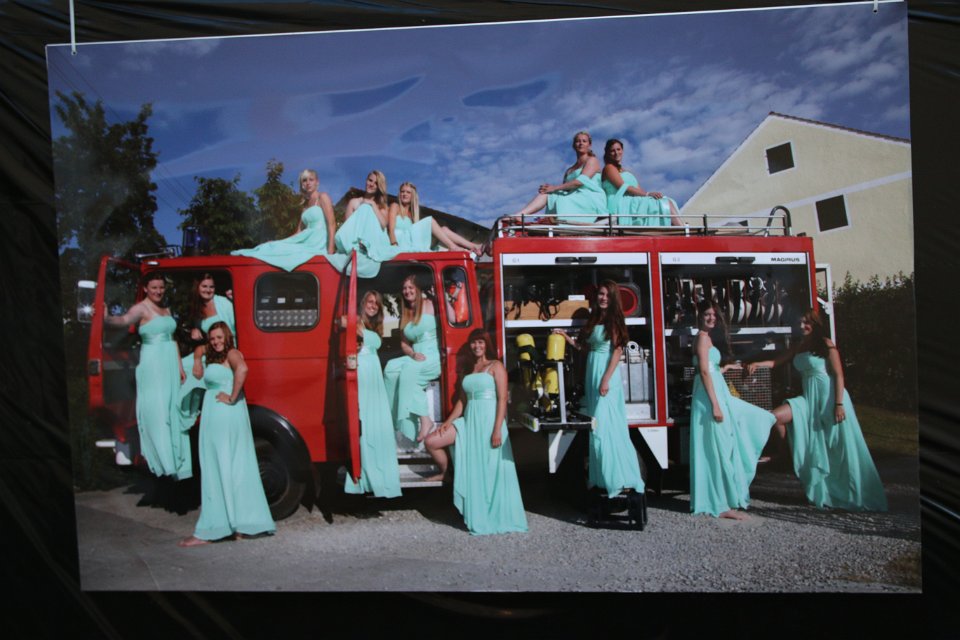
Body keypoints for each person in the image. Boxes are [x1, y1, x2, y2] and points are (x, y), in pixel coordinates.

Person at [747, 309, 887, 511]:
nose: (802, 326)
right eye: (799, 322)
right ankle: (785, 455)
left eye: (807, 322)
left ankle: (843, 492)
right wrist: (756, 363)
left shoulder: (825, 343)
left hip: (829, 397)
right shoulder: (798, 345)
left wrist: (838, 404)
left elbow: (838, 375)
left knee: (836, 447)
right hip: (808, 399)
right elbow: (776, 362)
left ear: (815, 324)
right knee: (775, 416)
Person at [178, 322, 276, 546]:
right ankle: (235, 525)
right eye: (212, 338)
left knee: (219, 466)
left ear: (227, 337)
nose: (215, 342)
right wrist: (196, 360)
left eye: (219, 337)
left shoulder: (232, 353)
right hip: (220, 415)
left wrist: (231, 397)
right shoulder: (213, 352)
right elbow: (200, 349)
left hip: (224, 415)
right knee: (229, 466)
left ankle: (216, 528)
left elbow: (243, 369)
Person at [424, 329, 527, 535]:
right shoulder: (469, 368)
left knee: (490, 469)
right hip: (470, 420)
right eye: (473, 343)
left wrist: (497, 429)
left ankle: (490, 513)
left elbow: (502, 399)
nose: (477, 346)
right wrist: (448, 422)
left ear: (486, 344)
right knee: (432, 441)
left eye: (480, 342)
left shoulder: (496, 366)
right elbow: (463, 401)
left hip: (489, 422)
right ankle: (447, 474)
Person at [552, 281, 644, 498]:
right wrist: (566, 337)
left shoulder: (614, 319)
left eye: (607, 295)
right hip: (593, 376)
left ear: (613, 299)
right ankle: (603, 478)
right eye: (601, 294)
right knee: (597, 429)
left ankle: (620, 479)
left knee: (606, 429)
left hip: (605, 377)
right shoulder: (595, 318)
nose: (603, 298)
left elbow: (617, 351)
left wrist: (605, 379)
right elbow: (585, 348)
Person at [689, 301, 776, 519]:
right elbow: (703, 371)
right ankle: (721, 504)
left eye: (714, 315)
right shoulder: (702, 338)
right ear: (700, 316)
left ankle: (723, 499)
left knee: (721, 444)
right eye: (707, 314)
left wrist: (725, 368)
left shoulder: (705, 338)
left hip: (715, 391)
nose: (711, 318)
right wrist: (715, 404)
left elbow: (710, 369)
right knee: (719, 446)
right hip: (710, 396)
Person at [104, 273, 191, 480]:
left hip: (170, 362)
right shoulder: (141, 308)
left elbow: (172, 339)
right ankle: (164, 462)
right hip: (153, 364)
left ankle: (178, 462)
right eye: (154, 288)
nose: (158, 291)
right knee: (158, 412)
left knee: (172, 409)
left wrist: (179, 366)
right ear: (145, 288)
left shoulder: (166, 308)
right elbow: (123, 320)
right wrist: (106, 317)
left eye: (161, 287)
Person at [342, 291, 403, 498]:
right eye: (370, 302)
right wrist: (353, 324)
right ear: (362, 303)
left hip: (373, 373)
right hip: (363, 372)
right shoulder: (356, 320)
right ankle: (365, 474)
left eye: (376, 304)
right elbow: (340, 321)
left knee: (376, 421)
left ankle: (380, 475)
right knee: (365, 421)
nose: (373, 306)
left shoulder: (373, 325)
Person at [231, 169, 336, 272]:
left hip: (317, 242)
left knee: (280, 251)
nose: (308, 183)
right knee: (271, 246)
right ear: (302, 184)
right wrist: (279, 242)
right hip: (306, 239)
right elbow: (298, 232)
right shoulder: (305, 207)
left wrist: (330, 251)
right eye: (304, 180)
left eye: (311, 179)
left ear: (317, 182)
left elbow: (331, 223)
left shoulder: (323, 197)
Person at [383, 275, 442, 444]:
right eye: (404, 288)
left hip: (433, 354)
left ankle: (425, 419)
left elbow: (452, 319)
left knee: (409, 372)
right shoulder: (406, 313)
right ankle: (395, 418)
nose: (407, 291)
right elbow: (404, 343)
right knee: (390, 368)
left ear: (417, 289)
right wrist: (412, 354)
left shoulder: (431, 304)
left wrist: (440, 298)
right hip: (416, 356)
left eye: (410, 287)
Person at [507, 131, 607, 224]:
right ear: (574, 145)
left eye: (584, 141)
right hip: (574, 195)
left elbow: (580, 182)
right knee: (547, 194)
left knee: (563, 199)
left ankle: (557, 222)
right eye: (578, 141)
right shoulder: (569, 170)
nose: (581, 143)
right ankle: (520, 215)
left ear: (589, 145)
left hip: (589, 196)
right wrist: (548, 189)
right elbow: (565, 189)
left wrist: (554, 188)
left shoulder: (592, 160)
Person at [332, 170, 400, 278]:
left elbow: (383, 224)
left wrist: (372, 204)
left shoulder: (381, 207)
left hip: (375, 241)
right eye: (370, 180)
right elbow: (348, 226)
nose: (371, 184)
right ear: (366, 180)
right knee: (364, 207)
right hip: (354, 242)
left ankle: (366, 246)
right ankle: (358, 245)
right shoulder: (354, 202)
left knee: (366, 207)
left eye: (376, 183)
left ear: (379, 187)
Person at [601, 139, 683, 226]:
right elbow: (622, 186)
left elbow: (639, 190)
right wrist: (648, 194)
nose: (616, 153)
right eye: (612, 151)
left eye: (618, 149)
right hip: (620, 202)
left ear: (622, 150)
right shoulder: (609, 167)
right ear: (608, 153)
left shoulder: (626, 172)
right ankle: (684, 229)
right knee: (664, 203)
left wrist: (650, 196)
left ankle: (681, 228)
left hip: (632, 200)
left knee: (665, 201)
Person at [388, 181, 480, 254]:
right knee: (430, 221)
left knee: (444, 229)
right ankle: (453, 247)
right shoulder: (395, 206)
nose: (404, 194)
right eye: (402, 191)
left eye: (408, 192)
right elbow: (391, 229)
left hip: (410, 241)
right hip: (399, 241)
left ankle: (473, 246)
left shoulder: (411, 215)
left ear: (413, 196)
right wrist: (394, 244)